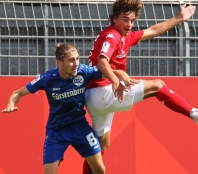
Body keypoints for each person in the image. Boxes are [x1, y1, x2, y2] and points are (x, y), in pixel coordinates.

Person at [82, 0, 198, 174]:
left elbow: (152, 31)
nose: (129, 24)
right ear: (114, 18)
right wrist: (116, 81)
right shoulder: (112, 35)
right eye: (125, 19)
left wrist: (179, 18)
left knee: (100, 147)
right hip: (104, 91)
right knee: (157, 85)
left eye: (132, 20)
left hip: (97, 98)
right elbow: (102, 61)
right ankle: (197, 115)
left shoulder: (124, 36)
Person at [1, 43, 135, 174]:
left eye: (77, 59)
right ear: (59, 63)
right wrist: (10, 104)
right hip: (57, 131)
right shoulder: (47, 78)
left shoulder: (84, 71)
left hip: (80, 128)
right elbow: (17, 92)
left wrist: (122, 77)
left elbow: (111, 72)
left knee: (100, 169)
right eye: (71, 60)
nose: (76, 63)